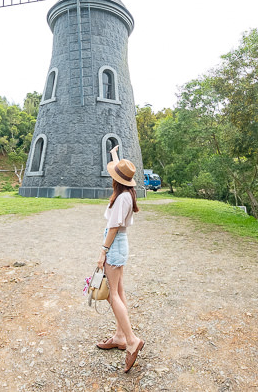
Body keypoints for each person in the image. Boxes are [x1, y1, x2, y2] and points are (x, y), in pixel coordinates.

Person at [96, 145, 145, 373]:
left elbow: (114, 226)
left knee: (112, 295)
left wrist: (103, 251)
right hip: (120, 244)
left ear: (118, 180)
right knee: (120, 291)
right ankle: (119, 336)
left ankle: (132, 339)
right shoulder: (128, 194)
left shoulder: (122, 198)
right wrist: (114, 155)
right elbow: (119, 170)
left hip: (114, 245)